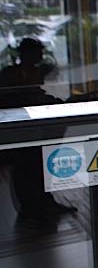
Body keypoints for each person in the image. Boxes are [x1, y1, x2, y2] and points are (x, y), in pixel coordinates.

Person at [0, 37, 75, 219]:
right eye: (37, 51)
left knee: (38, 165)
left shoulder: (33, 72)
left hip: (35, 129)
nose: (41, 55)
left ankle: (41, 201)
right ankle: (30, 204)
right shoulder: (10, 75)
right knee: (25, 167)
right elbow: (18, 98)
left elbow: (36, 93)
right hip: (20, 130)